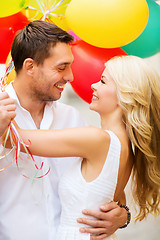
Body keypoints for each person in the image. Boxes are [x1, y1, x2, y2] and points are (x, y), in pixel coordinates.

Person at [0, 20, 128, 240]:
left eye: (70, 66)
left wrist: (122, 215)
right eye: (61, 67)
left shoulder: (72, 117)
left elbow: (105, 182)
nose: (70, 77)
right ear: (30, 67)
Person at [11, 55, 160, 239]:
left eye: (103, 81)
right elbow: (115, 202)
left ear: (124, 96)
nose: (93, 85)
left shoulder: (97, 139)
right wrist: (124, 215)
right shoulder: (127, 148)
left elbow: (18, 140)